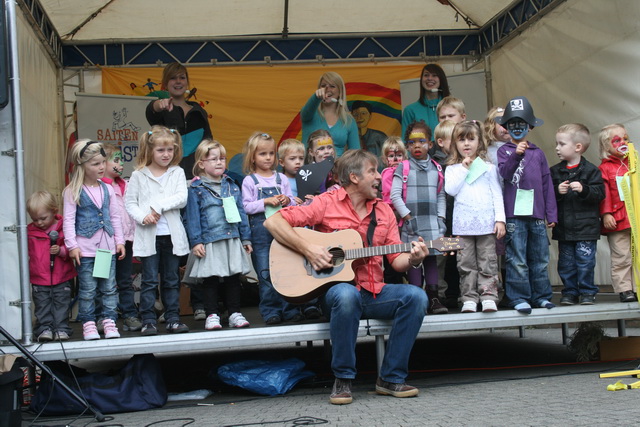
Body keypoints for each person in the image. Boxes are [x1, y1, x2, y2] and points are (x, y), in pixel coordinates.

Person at [264, 149, 428, 405]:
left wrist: (415, 258)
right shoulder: (325, 202)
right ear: (354, 177)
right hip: (336, 294)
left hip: (374, 293)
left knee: (416, 297)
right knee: (346, 293)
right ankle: (343, 378)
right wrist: (308, 249)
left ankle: (391, 377)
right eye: (373, 171)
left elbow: (397, 262)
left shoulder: (384, 212)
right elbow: (273, 222)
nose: (379, 176)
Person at [125, 126, 190, 335]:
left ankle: (172, 317)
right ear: (150, 151)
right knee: (150, 280)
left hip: (171, 236)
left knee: (171, 279)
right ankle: (148, 320)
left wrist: (158, 206)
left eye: (170, 150)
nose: (166, 154)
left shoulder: (177, 172)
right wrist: (143, 217)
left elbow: (182, 198)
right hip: (149, 236)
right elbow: (130, 202)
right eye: (161, 150)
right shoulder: (138, 175)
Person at [496, 96, 557, 314]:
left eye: (521, 123)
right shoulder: (503, 151)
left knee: (539, 258)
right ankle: (518, 297)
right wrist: (516, 155)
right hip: (514, 215)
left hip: (537, 215)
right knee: (517, 259)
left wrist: (551, 214)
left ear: (529, 126)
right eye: (512, 124)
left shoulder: (538, 153)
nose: (517, 127)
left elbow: (546, 184)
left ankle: (541, 296)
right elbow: (504, 173)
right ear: (506, 127)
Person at [184, 140, 253, 329]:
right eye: (213, 159)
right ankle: (212, 314)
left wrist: (245, 237)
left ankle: (234, 313)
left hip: (231, 238)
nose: (219, 162)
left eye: (222, 158)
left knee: (233, 278)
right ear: (201, 164)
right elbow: (192, 217)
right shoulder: (196, 189)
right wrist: (196, 241)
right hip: (209, 241)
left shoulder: (232, 185)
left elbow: (241, 213)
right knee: (211, 279)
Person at [63, 140, 125, 340]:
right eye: (95, 164)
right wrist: (72, 246)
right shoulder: (73, 191)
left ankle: (109, 321)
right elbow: (69, 220)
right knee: (88, 289)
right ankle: (89, 323)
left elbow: (115, 216)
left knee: (108, 288)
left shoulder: (107, 189)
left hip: (106, 248)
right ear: (82, 166)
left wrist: (120, 241)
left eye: (102, 163)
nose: (101, 167)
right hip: (86, 250)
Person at [444, 121, 505, 313]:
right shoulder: (452, 169)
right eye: (461, 140)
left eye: (471, 139)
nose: (466, 144)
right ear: (455, 143)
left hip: (486, 224)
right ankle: (469, 297)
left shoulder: (488, 167)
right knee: (466, 263)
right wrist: (463, 168)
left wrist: (500, 219)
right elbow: (451, 190)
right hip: (463, 225)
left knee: (488, 260)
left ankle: (488, 295)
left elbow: (497, 193)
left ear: (480, 142)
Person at [241, 132, 301, 325]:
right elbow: (246, 207)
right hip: (261, 235)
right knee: (265, 273)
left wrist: (287, 200)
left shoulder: (281, 178)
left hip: (283, 232)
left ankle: (290, 308)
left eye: (271, 153)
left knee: (286, 269)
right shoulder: (250, 181)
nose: (268, 158)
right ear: (253, 157)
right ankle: (270, 310)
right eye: (262, 154)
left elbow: (293, 201)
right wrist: (265, 201)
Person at [391, 121, 447, 314]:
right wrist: (407, 218)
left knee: (431, 259)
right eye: (412, 142)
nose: (417, 146)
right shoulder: (403, 167)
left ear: (430, 144)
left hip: (432, 222)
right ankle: (417, 298)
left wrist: (441, 218)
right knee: (413, 259)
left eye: (421, 141)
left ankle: (433, 297)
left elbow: (441, 195)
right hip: (410, 224)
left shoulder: (437, 169)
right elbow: (395, 195)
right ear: (407, 146)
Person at [550, 124, 604, 305]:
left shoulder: (592, 170)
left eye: (561, 144)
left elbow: (600, 194)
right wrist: (557, 190)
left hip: (586, 228)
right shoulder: (555, 171)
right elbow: (547, 197)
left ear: (578, 147)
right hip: (565, 229)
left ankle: (588, 291)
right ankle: (570, 292)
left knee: (585, 262)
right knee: (566, 264)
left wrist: (584, 189)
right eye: (557, 143)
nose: (557, 148)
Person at [145, 62, 212, 180]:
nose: (178, 81)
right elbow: (151, 111)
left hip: (198, 178)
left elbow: (208, 143)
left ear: (187, 82)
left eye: (182, 77)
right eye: (173, 78)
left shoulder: (198, 111)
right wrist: (159, 104)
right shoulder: (161, 110)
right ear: (165, 84)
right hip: (167, 179)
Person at [101, 143, 140, 332]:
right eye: (116, 160)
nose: (121, 163)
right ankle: (102, 315)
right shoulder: (99, 187)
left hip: (125, 241)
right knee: (101, 279)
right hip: (101, 243)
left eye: (121, 159)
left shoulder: (126, 185)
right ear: (102, 163)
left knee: (125, 280)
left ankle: (129, 314)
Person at [27, 191, 76, 342]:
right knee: (42, 305)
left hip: (61, 276)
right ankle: (44, 328)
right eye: (35, 220)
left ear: (54, 211)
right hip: (39, 277)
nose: (39, 223)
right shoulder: (30, 232)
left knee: (61, 303)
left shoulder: (63, 228)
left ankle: (61, 328)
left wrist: (61, 251)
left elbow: (72, 247)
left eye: (43, 218)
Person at [598, 123, 637, 302]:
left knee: (636, 254)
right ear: (607, 146)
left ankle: (636, 286)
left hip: (635, 218)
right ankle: (625, 289)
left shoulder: (634, 163)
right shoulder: (605, 168)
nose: (622, 142)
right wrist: (606, 214)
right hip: (618, 218)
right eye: (616, 140)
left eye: (625, 139)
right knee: (621, 255)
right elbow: (604, 194)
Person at [300, 71, 359, 157]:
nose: (327, 88)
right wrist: (316, 97)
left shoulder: (348, 120)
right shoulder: (311, 113)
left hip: (337, 168)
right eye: (323, 86)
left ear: (340, 92)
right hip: (310, 167)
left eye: (332, 86)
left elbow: (356, 153)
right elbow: (305, 113)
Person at [401, 63, 451, 139]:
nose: (430, 78)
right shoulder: (410, 110)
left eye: (434, 75)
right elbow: (405, 142)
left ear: (441, 79)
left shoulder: (451, 107)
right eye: (426, 75)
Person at [278, 138, 306, 205]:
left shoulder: (307, 179)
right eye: (292, 158)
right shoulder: (278, 180)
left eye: (301, 158)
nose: (298, 162)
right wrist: (290, 200)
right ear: (282, 162)